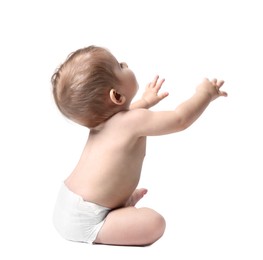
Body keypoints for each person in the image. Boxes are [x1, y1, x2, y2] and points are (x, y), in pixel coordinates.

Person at [51, 45, 227, 246]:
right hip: (87, 220)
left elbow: (126, 118)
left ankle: (118, 205)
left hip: (66, 204)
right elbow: (180, 119)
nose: (125, 63)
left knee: (141, 215)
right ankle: (115, 216)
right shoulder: (131, 122)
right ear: (116, 96)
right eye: (119, 65)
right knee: (155, 223)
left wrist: (145, 101)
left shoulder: (102, 123)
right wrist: (204, 94)